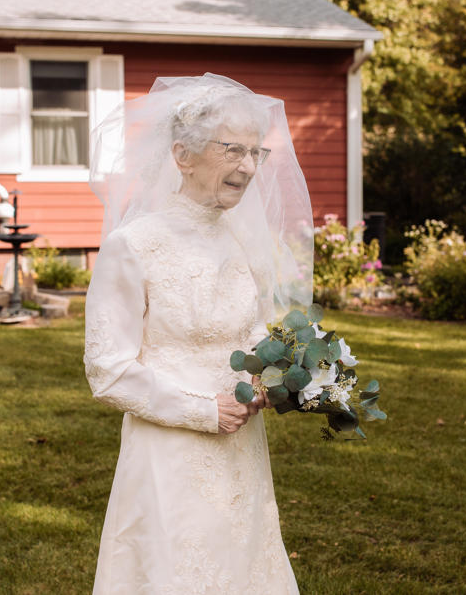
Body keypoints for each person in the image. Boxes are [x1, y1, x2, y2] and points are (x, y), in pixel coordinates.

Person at [82, 73, 313, 594]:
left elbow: (252, 330)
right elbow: (107, 369)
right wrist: (205, 411)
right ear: (182, 155)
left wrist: (271, 376)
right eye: (234, 150)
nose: (249, 168)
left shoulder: (240, 240)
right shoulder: (134, 246)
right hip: (171, 450)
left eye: (257, 153)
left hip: (241, 446)